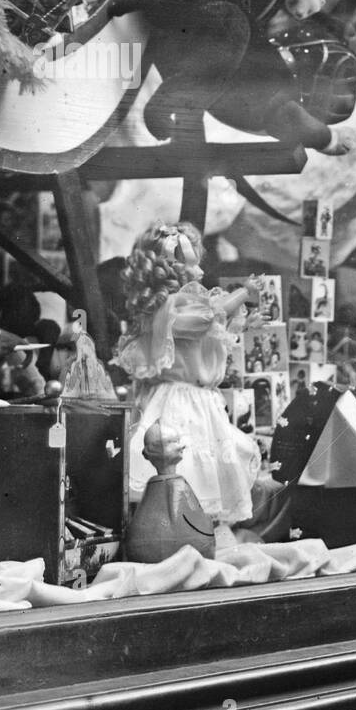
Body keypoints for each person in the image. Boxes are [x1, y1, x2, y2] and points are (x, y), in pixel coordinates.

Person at [114, 222, 261, 534]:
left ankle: (198, 532)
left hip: (200, 400)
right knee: (186, 466)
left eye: (196, 263)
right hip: (179, 402)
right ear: (165, 267)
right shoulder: (170, 307)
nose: (196, 272)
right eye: (186, 263)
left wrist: (241, 322)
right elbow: (205, 319)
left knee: (206, 471)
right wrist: (242, 294)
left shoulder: (191, 303)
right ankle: (175, 533)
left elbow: (212, 333)